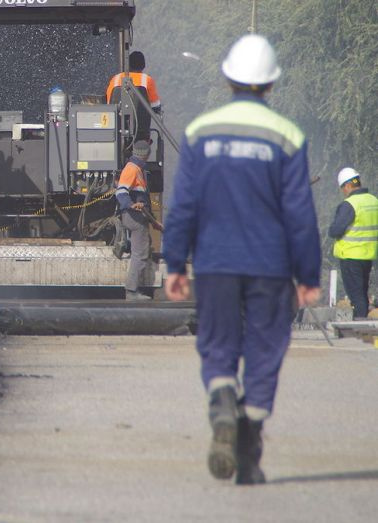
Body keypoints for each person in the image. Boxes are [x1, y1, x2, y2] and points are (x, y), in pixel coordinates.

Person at [162, 34, 321, 486]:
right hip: (271, 268)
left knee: (218, 345)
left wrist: (175, 264)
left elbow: (184, 207)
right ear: (270, 85)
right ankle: (248, 456)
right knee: (265, 350)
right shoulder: (287, 137)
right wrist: (308, 275)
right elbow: (299, 214)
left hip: (214, 265)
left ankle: (221, 400)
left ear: (228, 77)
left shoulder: (199, 133)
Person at [328, 167, 378, 320]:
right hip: (368, 256)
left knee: (356, 295)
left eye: (342, 188)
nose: (343, 191)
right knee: (362, 292)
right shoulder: (374, 201)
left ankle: (360, 323)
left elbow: (335, 230)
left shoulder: (349, 204)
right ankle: (362, 321)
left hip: (351, 256)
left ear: (348, 185)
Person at [116, 140, 154, 300]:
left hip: (138, 217)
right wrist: (132, 205)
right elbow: (121, 192)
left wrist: (153, 221)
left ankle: (133, 289)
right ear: (146, 154)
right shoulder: (132, 169)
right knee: (140, 254)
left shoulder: (136, 168)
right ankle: (132, 292)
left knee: (142, 250)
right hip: (135, 218)